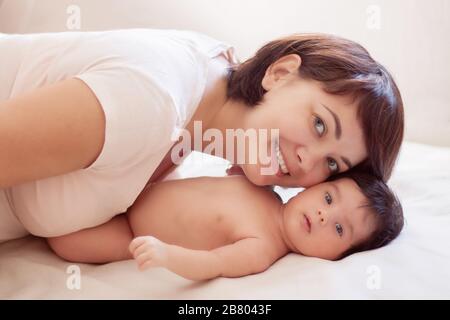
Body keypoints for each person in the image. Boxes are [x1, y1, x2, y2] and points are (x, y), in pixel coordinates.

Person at [0, 30, 403, 242]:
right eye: (319, 124)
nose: (308, 162)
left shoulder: (209, 99)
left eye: (332, 164)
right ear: (279, 73)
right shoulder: (149, 99)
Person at [47, 172, 404, 281]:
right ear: (314, 186)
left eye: (340, 230)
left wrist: (167, 254)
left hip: (131, 230)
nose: (325, 216)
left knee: (64, 238)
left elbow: (213, 263)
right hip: (141, 184)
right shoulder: (266, 188)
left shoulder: (262, 248)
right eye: (328, 198)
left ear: (341, 256)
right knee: (74, 182)